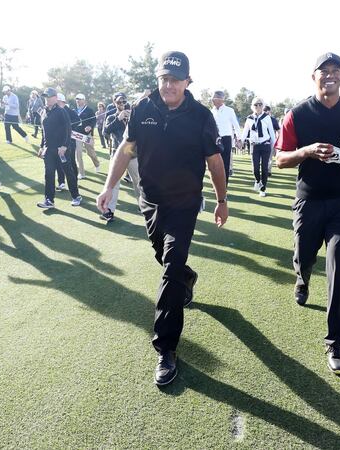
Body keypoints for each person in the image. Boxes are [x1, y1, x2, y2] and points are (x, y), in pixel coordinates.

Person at [96, 50, 228, 386]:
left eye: (176, 79)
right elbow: (126, 149)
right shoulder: (143, 108)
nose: (169, 85)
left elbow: (214, 162)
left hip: (185, 203)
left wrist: (221, 200)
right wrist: (109, 187)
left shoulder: (200, 116)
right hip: (150, 200)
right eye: (164, 79)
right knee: (162, 255)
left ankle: (165, 349)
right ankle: (187, 277)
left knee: (169, 267)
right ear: (158, 80)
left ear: (187, 81)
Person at [275, 52, 340, 375]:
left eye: (336, 71)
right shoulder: (298, 114)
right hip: (309, 200)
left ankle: (335, 343)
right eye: (324, 71)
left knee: (338, 266)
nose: (330, 76)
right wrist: (306, 151)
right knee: (305, 257)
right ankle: (301, 277)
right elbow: (280, 159)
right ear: (313, 77)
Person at [36, 88, 81, 209]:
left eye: (49, 97)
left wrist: (65, 146)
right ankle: (49, 200)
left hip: (62, 149)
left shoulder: (61, 111)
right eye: (45, 97)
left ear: (55, 98)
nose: (47, 99)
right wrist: (41, 147)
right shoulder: (44, 112)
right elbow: (44, 132)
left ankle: (76, 196)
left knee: (68, 172)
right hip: (49, 149)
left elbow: (68, 130)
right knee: (49, 174)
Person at [101, 92, 141, 222]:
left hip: (133, 154)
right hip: (117, 154)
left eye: (124, 101)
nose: (122, 104)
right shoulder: (111, 116)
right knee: (113, 184)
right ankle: (109, 211)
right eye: (119, 102)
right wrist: (118, 118)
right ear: (114, 103)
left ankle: (144, 206)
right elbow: (105, 131)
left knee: (139, 181)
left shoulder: (133, 114)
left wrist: (131, 119)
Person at [241, 97, 277, 197]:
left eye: (260, 104)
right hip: (254, 146)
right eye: (256, 105)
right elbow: (245, 132)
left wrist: (274, 147)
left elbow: (272, 133)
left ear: (263, 106)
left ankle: (263, 189)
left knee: (264, 168)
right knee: (255, 168)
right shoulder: (249, 118)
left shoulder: (267, 117)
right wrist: (241, 141)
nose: (258, 106)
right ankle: (257, 181)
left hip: (265, 145)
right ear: (253, 106)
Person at [210, 90, 242, 182]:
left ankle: (224, 187)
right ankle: (217, 184)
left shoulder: (229, 110)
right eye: (212, 98)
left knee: (225, 164)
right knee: (215, 164)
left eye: (214, 98)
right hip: (214, 139)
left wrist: (239, 139)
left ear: (221, 100)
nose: (212, 100)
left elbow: (236, 125)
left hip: (226, 139)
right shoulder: (211, 111)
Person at [71, 93, 101, 178]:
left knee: (90, 152)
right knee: (78, 153)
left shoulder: (89, 110)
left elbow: (93, 120)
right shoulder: (73, 111)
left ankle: (97, 164)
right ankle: (81, 173)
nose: (78, 101)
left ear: (84, 100)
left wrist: (90, 126)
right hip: (77, 135)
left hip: (87, 135)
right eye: (77, 99)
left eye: (80, 99)